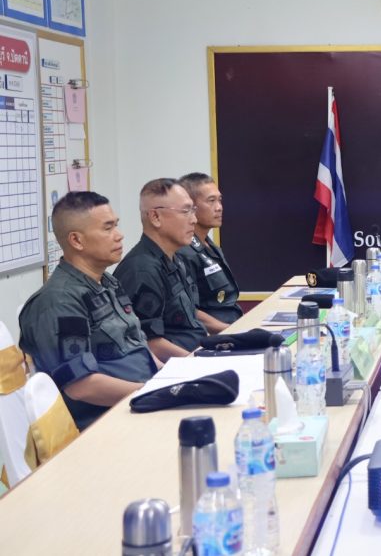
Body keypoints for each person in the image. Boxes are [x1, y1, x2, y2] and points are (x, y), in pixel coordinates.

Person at [18, 192, 159, 430]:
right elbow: (81, 386)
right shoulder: (59, 301)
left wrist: (172, 378)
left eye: (116, 225)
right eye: (107, 228)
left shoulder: (107, 282)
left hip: (138, 403)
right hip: (104, 423)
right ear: (76, 240)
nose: (119, 235)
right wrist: (153, 392)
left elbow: (137, 344)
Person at [114, 178, 213, 361]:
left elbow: (190, 320)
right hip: (177, 367)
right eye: (185, 211)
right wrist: (198, 363)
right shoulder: (142, 270)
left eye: (193, 210)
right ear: (155, 217)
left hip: (196, 354)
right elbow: (151, 343)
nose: (194, 220)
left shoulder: (175, 259)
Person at [177, 172, 242, 331]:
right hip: (215, 333)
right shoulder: (183, 252)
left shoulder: (210, 245)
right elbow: (189, 309)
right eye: (211, 201)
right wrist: (231, 330)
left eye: (220, 200)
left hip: (232, 322)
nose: (219, 207)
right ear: (190, 206)